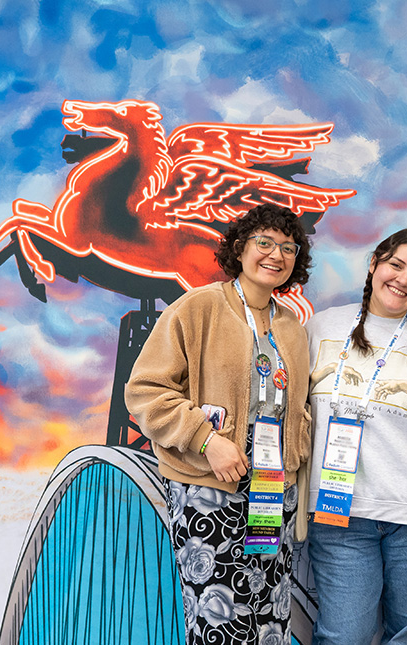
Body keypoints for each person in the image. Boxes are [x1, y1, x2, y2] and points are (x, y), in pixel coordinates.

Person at [125, 203, 313, 645]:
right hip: (209, 486)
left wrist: (293, 457)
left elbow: (298, 408)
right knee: (218, 615)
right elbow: (145, 390)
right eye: (263, 242)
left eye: (288, 247)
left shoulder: (291, 327)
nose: (276, 254)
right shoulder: (199, 307)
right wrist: (207, 440)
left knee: (270, 609)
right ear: (239, 249)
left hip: (272, 487)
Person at [305, 228, 407, 645]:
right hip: (338, 512)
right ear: (375, 263)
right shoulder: (320, 328)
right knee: (344, 638)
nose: (403, 279)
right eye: (396, 265)